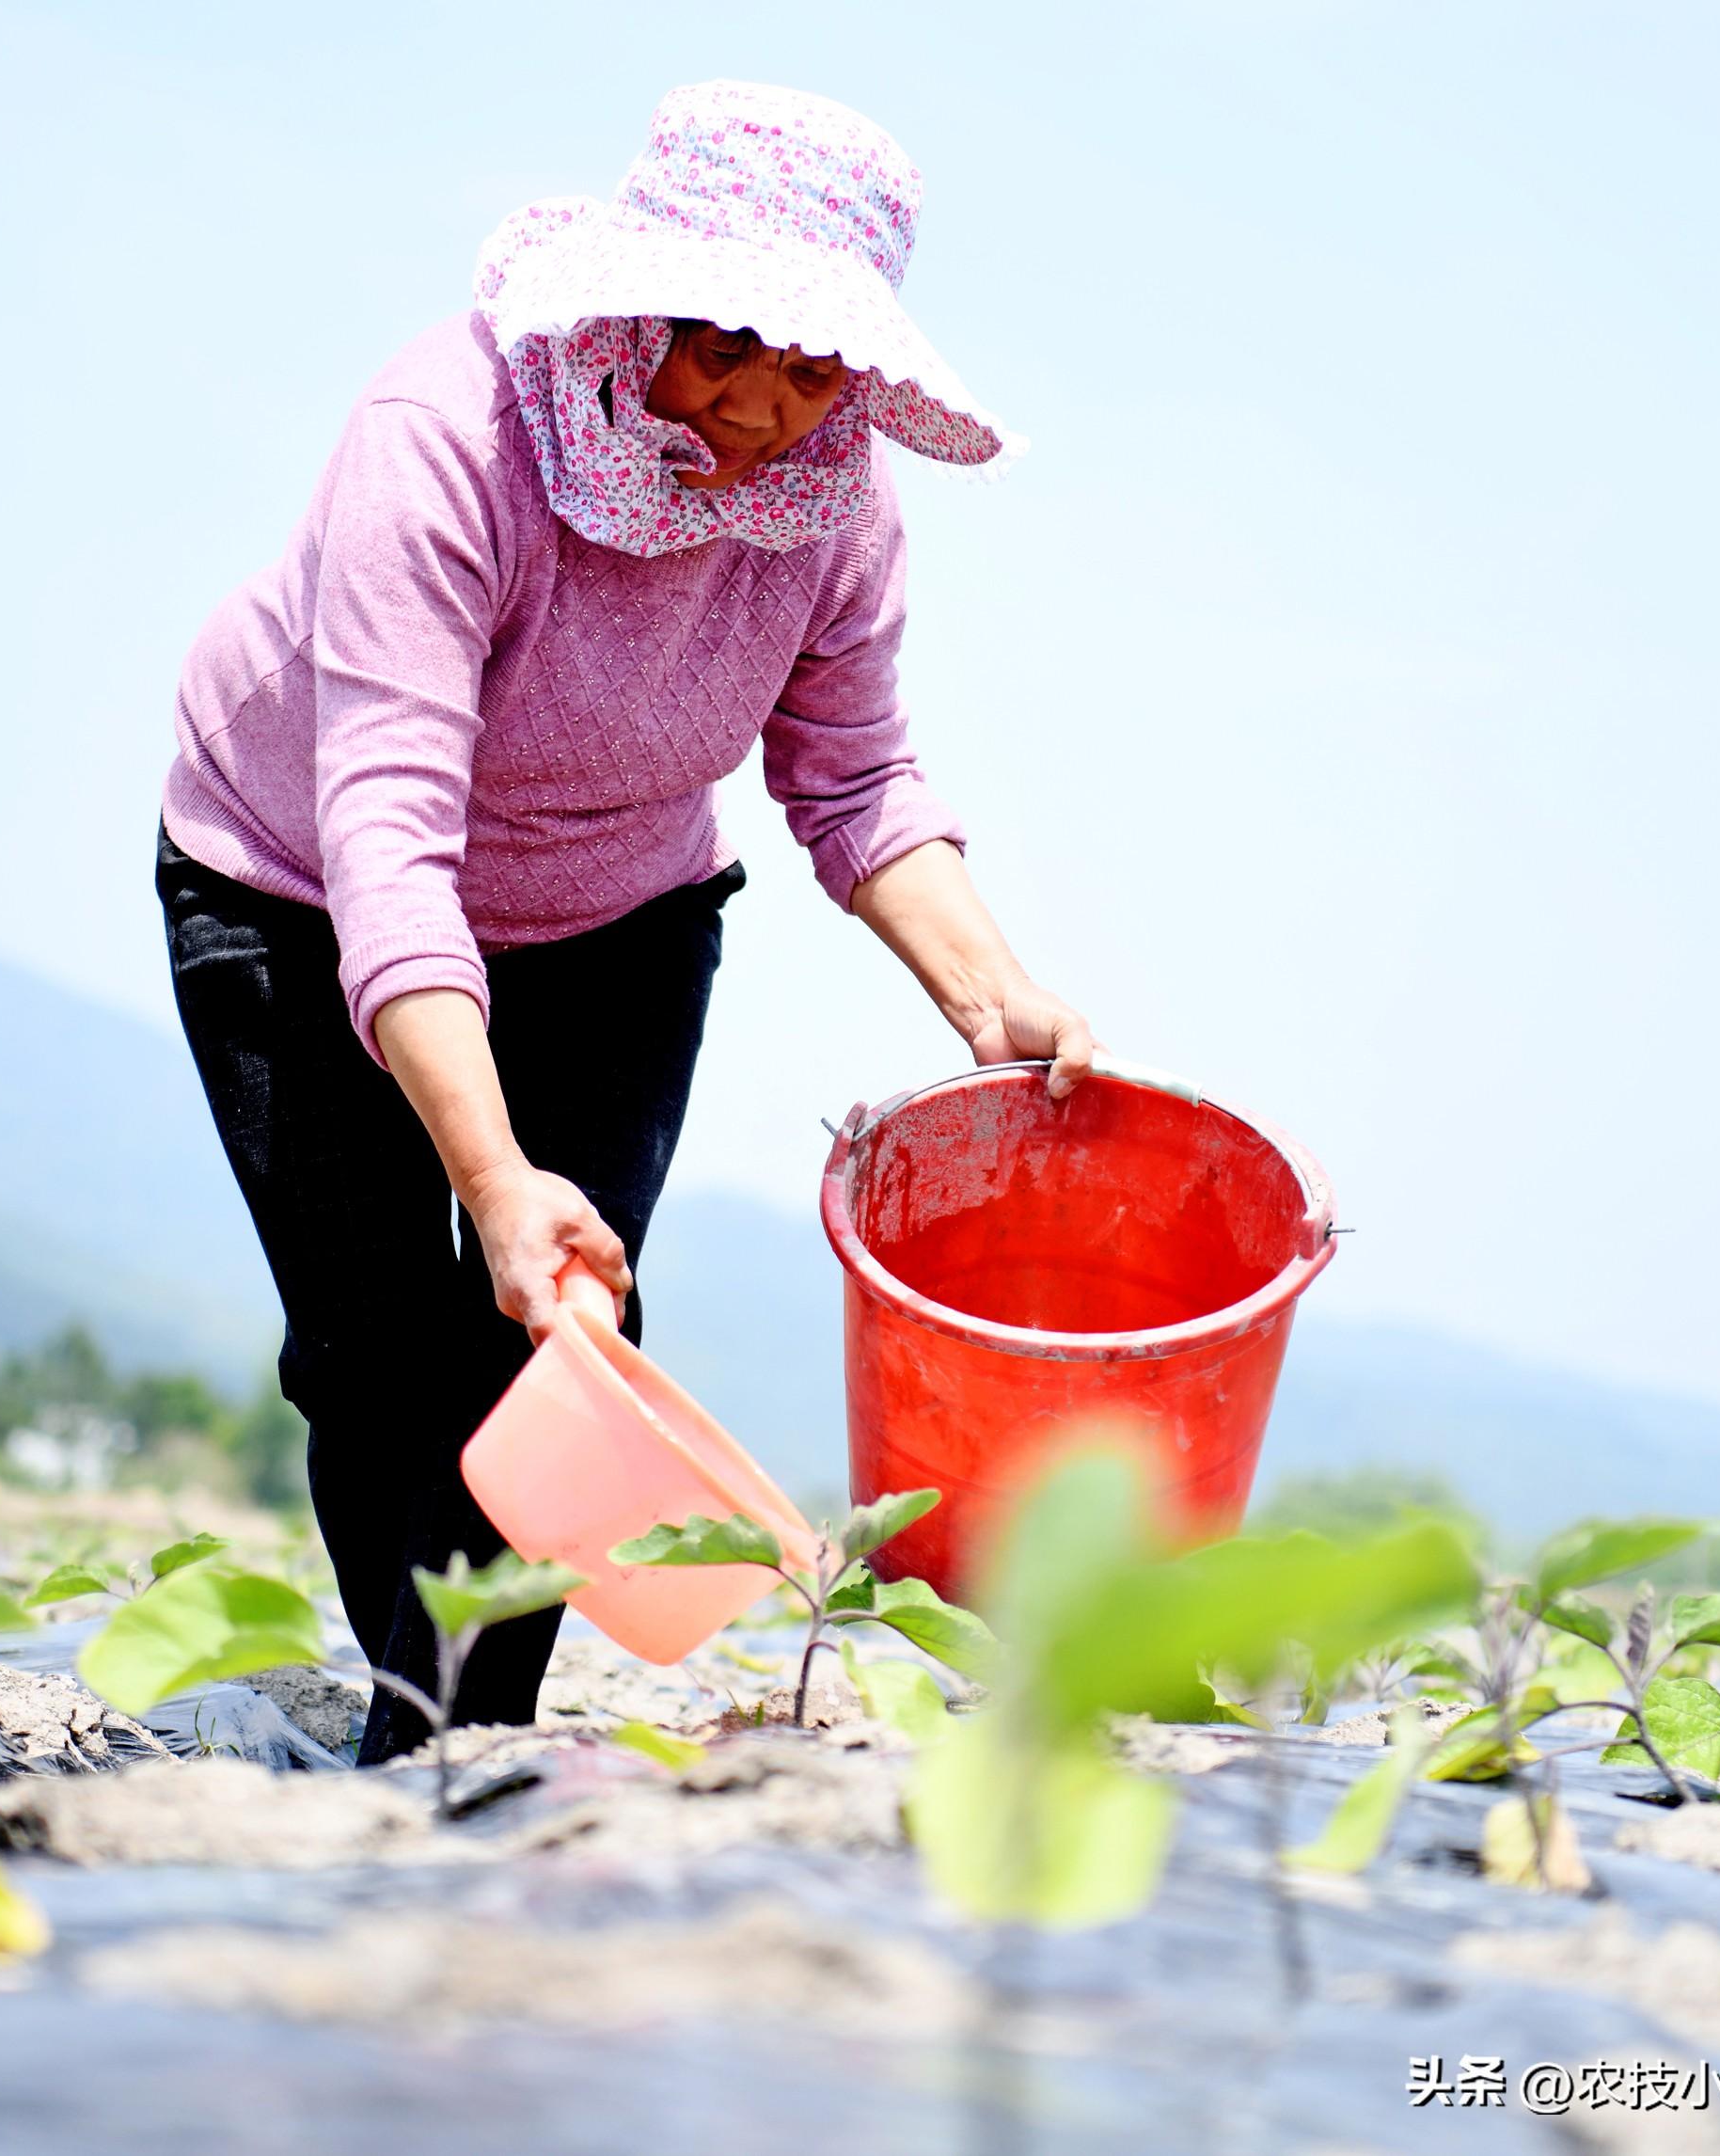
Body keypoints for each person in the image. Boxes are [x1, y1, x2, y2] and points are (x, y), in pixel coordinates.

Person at [156, 79, 1094, 1763]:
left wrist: (996, 997)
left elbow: (859, 779)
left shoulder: (834, 512)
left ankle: (468, 1756)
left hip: (614, 915)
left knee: (569, 1321)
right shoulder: (450, 438)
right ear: (636, 300)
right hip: (300, 891)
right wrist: (491, 1177)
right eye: (722, 342)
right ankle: (423, 1732)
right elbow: (386, 836)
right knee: (380, 1352)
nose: (756, 402)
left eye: (812, 367)